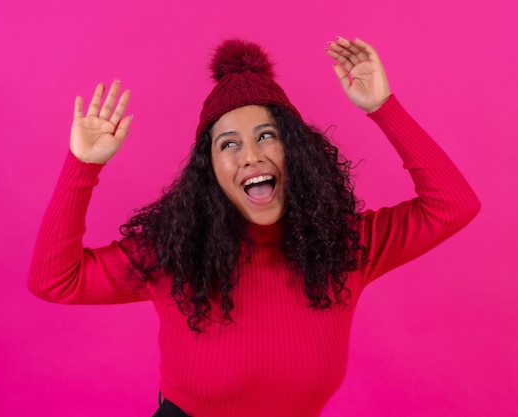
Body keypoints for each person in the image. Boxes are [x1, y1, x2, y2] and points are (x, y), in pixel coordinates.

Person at [28, 37, 480, 417]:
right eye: (230, 144)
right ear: (211, 172)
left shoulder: (348, 247)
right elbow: (54, 280)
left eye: (267, 136)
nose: (250, 155)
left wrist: (383, 106)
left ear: (296, 153)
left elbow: (454, 205)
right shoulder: (173, 253)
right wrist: (82, 166)